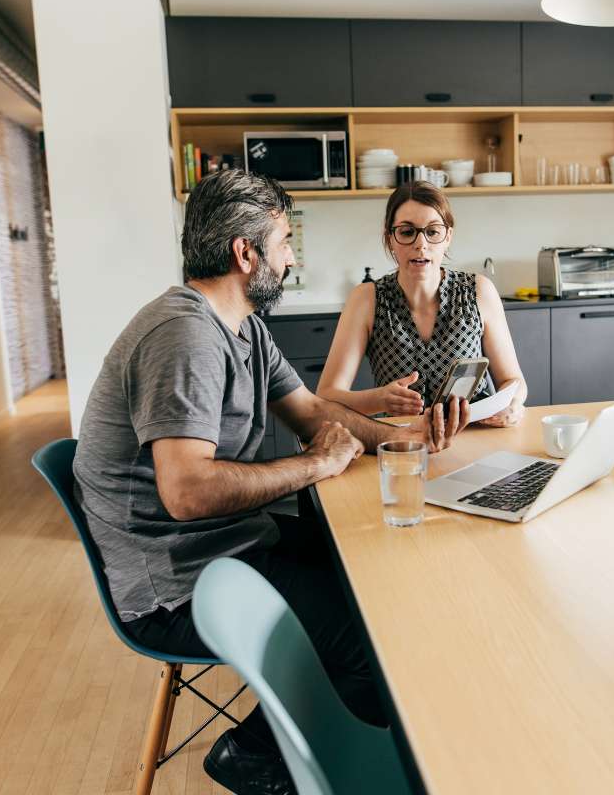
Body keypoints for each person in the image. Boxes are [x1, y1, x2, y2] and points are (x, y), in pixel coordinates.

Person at [72, 169, 468, 795]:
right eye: (285, 241)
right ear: (245, 252)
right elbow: (187, 492)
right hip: (177, 583)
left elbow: (313, 413)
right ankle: (262, 758)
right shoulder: (184, 335)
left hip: (228, 543)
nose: (291, 258)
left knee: (382, 572)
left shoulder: (244, 326)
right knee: (373, 637)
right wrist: (315, 465)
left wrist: (406, 436)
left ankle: (386, 741)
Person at [317, 181, 527, 424]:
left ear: (448, 236)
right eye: (407, 232)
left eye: (433, 231)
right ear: (390, 239)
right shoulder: (366, 299)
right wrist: (379, 400)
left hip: (474, 435)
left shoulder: (480, 291)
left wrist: (513, 404)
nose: (421, 244)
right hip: (402, 445)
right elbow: (326, 397)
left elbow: (514, 381)